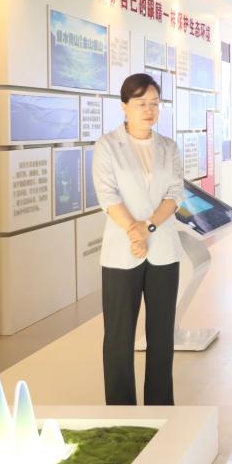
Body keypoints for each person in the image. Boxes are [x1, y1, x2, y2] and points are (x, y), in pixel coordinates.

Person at [93, 73, 184, 406]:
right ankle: (121, 411)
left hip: (162, 249)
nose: (149, 110)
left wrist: (147, 228)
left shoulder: (168, 147)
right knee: (119, 338)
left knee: (161, 336)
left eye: (154, 103)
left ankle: (161, 407)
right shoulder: (107, 145)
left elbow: (175, 193)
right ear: (124, 106)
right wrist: (133, 229)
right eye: (141, 103)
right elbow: (107, 195)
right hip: (122, 250)